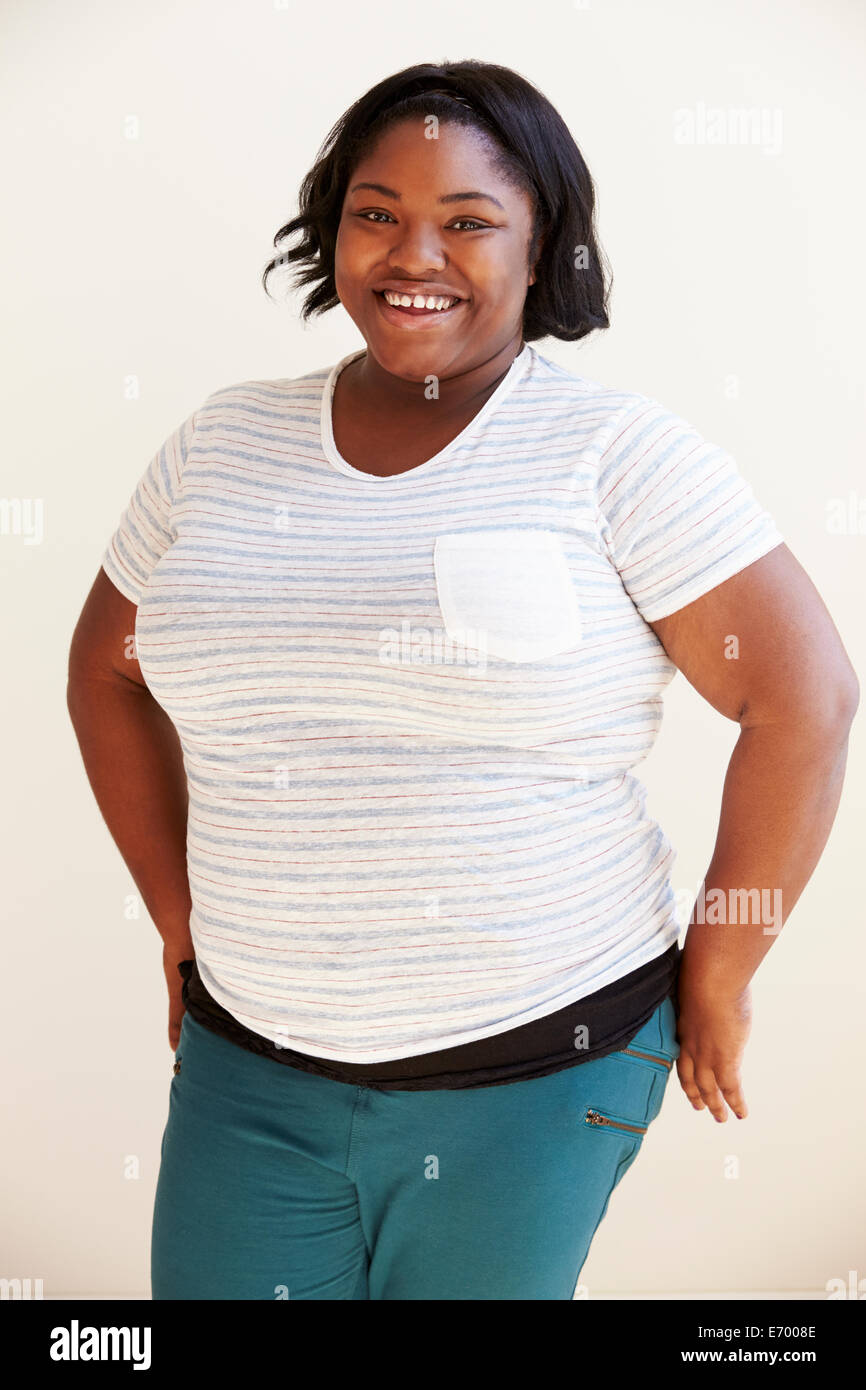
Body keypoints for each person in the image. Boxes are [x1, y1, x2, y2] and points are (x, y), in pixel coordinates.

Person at [67, 60, 858, 1301]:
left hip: (536, 1074)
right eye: (374, 212)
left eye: (469, 221)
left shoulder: (613, 454)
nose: (410, 253)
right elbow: (106, 671)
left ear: (542, 252)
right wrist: (177, 920)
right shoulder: (219, 443)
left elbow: (802, 699)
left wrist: (718, 967)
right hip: (247, 1068)